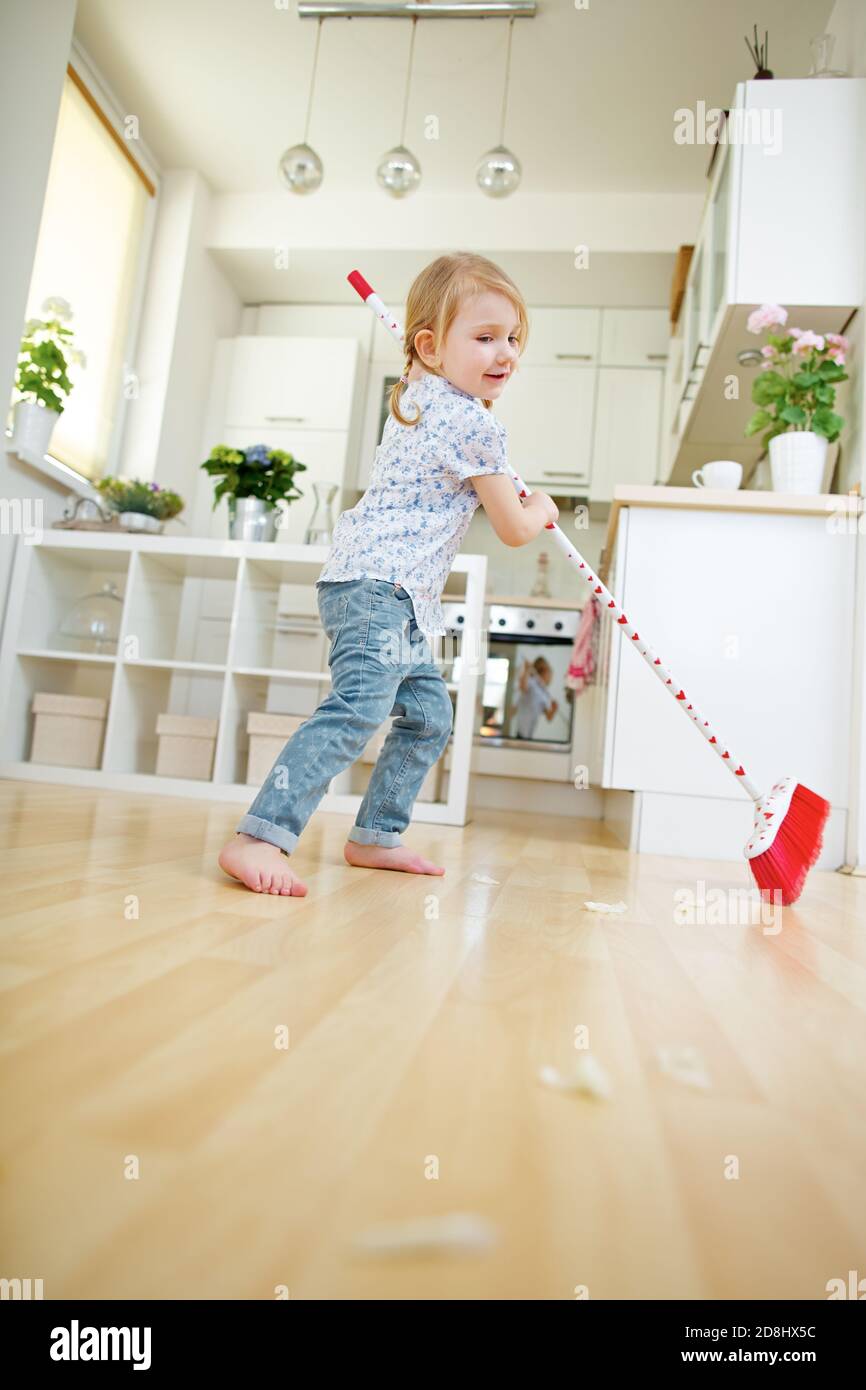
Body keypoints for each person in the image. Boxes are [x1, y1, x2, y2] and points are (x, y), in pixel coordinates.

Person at [218, 251, 559, 896]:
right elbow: (514, 527)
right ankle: (260, 835)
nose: (505, 352)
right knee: (357, 709)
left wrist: (431, 358)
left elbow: (435, 383)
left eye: (513, 338)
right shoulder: (472, 423)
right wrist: (540, 507)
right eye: (483, 337)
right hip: (382, 588)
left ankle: (375, 833)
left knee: (428, 716)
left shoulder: (421, 394)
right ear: (430, 346)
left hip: (386, 593)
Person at [512, 656, 559, 739]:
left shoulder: (544, 693)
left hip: (530, 736)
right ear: (542, 671)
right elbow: (523, 687)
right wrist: (526, 670)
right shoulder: (532, 682)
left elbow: (549, 717)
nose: (550, 677)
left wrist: (554, 709)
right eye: (549, 673)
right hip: (521, 734)